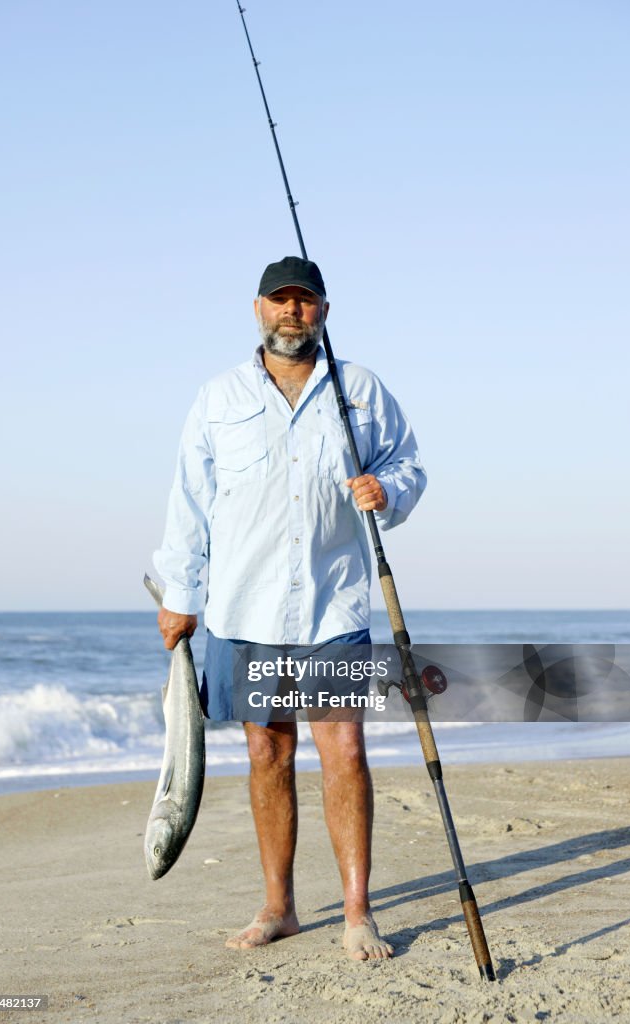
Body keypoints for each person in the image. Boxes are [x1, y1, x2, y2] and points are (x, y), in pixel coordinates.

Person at [153, 256, 426, 960]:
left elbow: (408, 463)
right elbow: (189, 503)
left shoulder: (359, 390)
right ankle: (280, 907)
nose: (292, 314)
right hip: (242, 611)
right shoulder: (217, 397)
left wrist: (386, 492)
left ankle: (358, 912)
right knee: (267, 751)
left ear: (324, 312)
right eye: (281, 301)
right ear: (257, 309)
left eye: (305, 303)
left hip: (333, 609)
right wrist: (180, 598)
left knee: (344, 749)